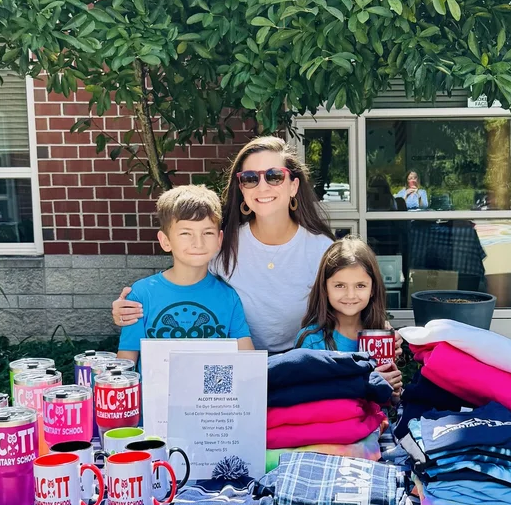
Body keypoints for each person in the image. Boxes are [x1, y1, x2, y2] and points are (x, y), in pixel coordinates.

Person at [113, 136, 335, 352]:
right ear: (241, 188)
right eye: (250, 178)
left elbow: (344, 306)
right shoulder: (222, 242)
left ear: (293, 186)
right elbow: (186, 286)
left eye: (274, 176)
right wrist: (130, 308)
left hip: (302, 361)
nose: (262, 187)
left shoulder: (321, 249)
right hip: (236, 362)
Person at [115, 185, 254, 363]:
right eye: (186, 233)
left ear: (219, 240)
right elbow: (126, 362)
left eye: (207, 232)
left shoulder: (229, 297)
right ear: (165, 241)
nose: (198, 243)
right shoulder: (141, 295)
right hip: (156, 382)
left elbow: (247, 361)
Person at [295, 237, 404, 394]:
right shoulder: (311, 341)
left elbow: (390, 401)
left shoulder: (381, 337)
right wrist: (367, 384)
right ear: (324, 288)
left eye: (360, 285)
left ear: (373, 289)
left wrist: (392, 392)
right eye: (340, 285)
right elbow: (304, 396)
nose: (350, 295)